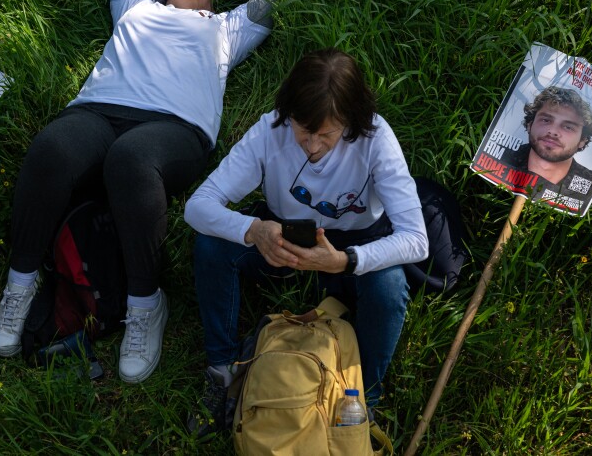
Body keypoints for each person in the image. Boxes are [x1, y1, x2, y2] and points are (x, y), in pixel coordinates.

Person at [0, 0, 282, 386]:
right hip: (97, 112)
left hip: (173, 128)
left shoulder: (225, 28)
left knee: (130, 161)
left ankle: (145, 304)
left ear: (216, 0)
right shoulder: (137, 8)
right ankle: (21, 281)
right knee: (52, 148)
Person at [183, 48, 428, 434]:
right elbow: (197, 207)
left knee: (388, 285)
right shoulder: (270, 130)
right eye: (303, 131)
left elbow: (416, 240)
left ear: (351, 120)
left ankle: (364, 397)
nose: (312, 146)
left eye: (326, 134)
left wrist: (347, 260)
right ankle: (222, 374)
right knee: (212, 246)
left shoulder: (375, 139)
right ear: (288, 114)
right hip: (284, 237)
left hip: (353, 243)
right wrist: (254, 230)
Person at [500, 85, 592, 197]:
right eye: (546, 120)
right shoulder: (501, 157)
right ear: (530, 124)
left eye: (568, 127)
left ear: (583, 140)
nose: (553, 131)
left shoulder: (589, 183)